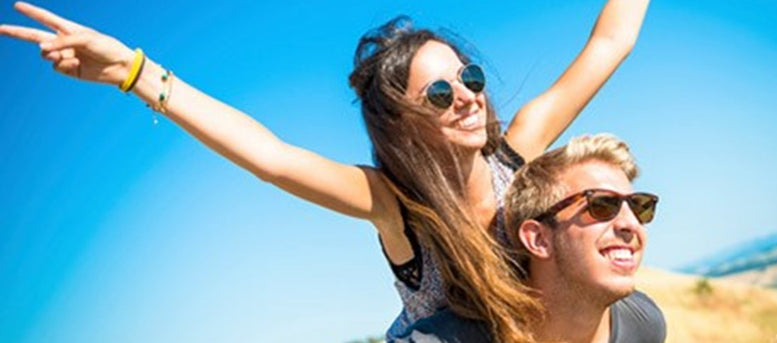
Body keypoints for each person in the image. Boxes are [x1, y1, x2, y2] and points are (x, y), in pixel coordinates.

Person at [0, 2, 650, 342]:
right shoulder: (398, 205)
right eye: (440, 94)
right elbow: (271, 156)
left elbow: (610, 43)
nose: (469, 96)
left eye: (469, 77)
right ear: (404, 123)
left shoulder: (516, 152)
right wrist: (133, 72)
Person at [396, 134, 666, 343]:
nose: (631, 224)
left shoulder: (643, 324)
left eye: (639, 206)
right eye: (602, 205)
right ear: (538, 239)